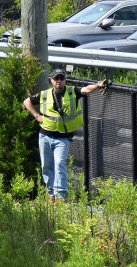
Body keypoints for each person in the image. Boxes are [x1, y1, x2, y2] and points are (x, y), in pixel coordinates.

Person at [23, 69, 109, 202]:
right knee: (46, 166)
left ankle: (61, 196)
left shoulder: (72, 91)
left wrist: (98, 85)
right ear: (51, 80)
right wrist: (37, 116)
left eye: (61, 78)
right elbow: (26, 101)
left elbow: (86, 90)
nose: (58, 81)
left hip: (62, 138)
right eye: (56, 78)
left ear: (65, 80)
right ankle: (50, 194)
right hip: (44, 136)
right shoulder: (44, 94)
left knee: (59, 164)